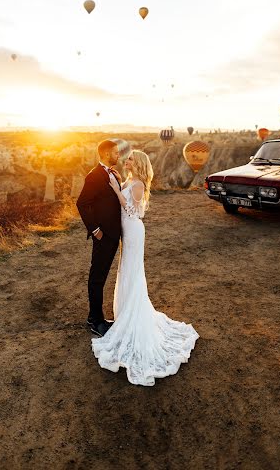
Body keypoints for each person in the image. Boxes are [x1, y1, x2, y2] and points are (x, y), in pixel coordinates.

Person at [91, 149, 199, 386]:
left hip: (134, 232)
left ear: (137, 163)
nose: (126, 160)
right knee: (126, 271)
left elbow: (132, 211)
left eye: (129, 158)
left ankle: (133, 315)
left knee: (132, 272)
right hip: (126, 233)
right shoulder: (129, 180)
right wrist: (118, 186)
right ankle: (124, 312)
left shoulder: (138, 184)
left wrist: (118, 191)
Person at [76, 140, 122, 338]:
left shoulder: (110, 173)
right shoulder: (94, 176)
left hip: (113, 234)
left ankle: (93, 316)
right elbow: (82, 203)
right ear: (105, 154)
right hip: (103, 236)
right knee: (97, 278)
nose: (118, 155)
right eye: (115, 153)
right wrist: (95, 230)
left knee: (101, 278)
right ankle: (96, 322)